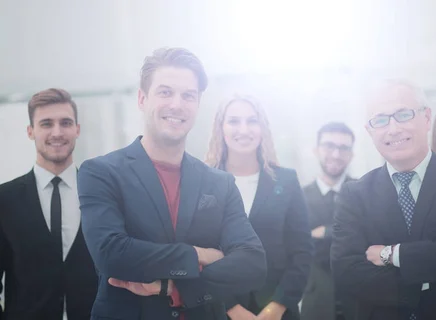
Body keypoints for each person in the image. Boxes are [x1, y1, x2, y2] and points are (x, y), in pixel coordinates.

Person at [77, 47, 267, 320]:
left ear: (197, 105)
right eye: (165, 92)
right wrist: (198, 254)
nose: (177, 104)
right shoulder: (101, 173)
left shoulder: (220, 183)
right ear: (142, 99)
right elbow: (112, 253)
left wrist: (172, 288)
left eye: (188, 95)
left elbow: (253, 263)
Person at [330, 79, 436, 320]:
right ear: (369, 130)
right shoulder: (354, 194)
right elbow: (347, 272)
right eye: (380, 120)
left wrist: (391, 255)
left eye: (403, 115)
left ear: (427, 118)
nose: (393, 128)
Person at [205, 94, 312, 320]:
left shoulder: (287, 181)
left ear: (262, 128)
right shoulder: (203, 183)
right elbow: (197, 254)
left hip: (279, 312)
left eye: (252, 121)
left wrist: (276, 308)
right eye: (234, 121)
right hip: (218, 310)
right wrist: (231, 309)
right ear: (220, 128)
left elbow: (302, 253)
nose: (244, 129)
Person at [0, 88, 98, 319]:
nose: (57, 132)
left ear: (77, 130)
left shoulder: (101, 195)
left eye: (65, 123)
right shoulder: (4, 199)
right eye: (46, 124)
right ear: (30, 131)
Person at [300, 122, 355, 320]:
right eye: (329, 146)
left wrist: (324, 232)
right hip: (316, 299)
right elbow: (296, 244)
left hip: (361, 300)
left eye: (343, 148)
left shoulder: (364, 193)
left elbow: (369, 234)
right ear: (316, 150)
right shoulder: (298, 197)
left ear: (351, 154)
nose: (336, 154)